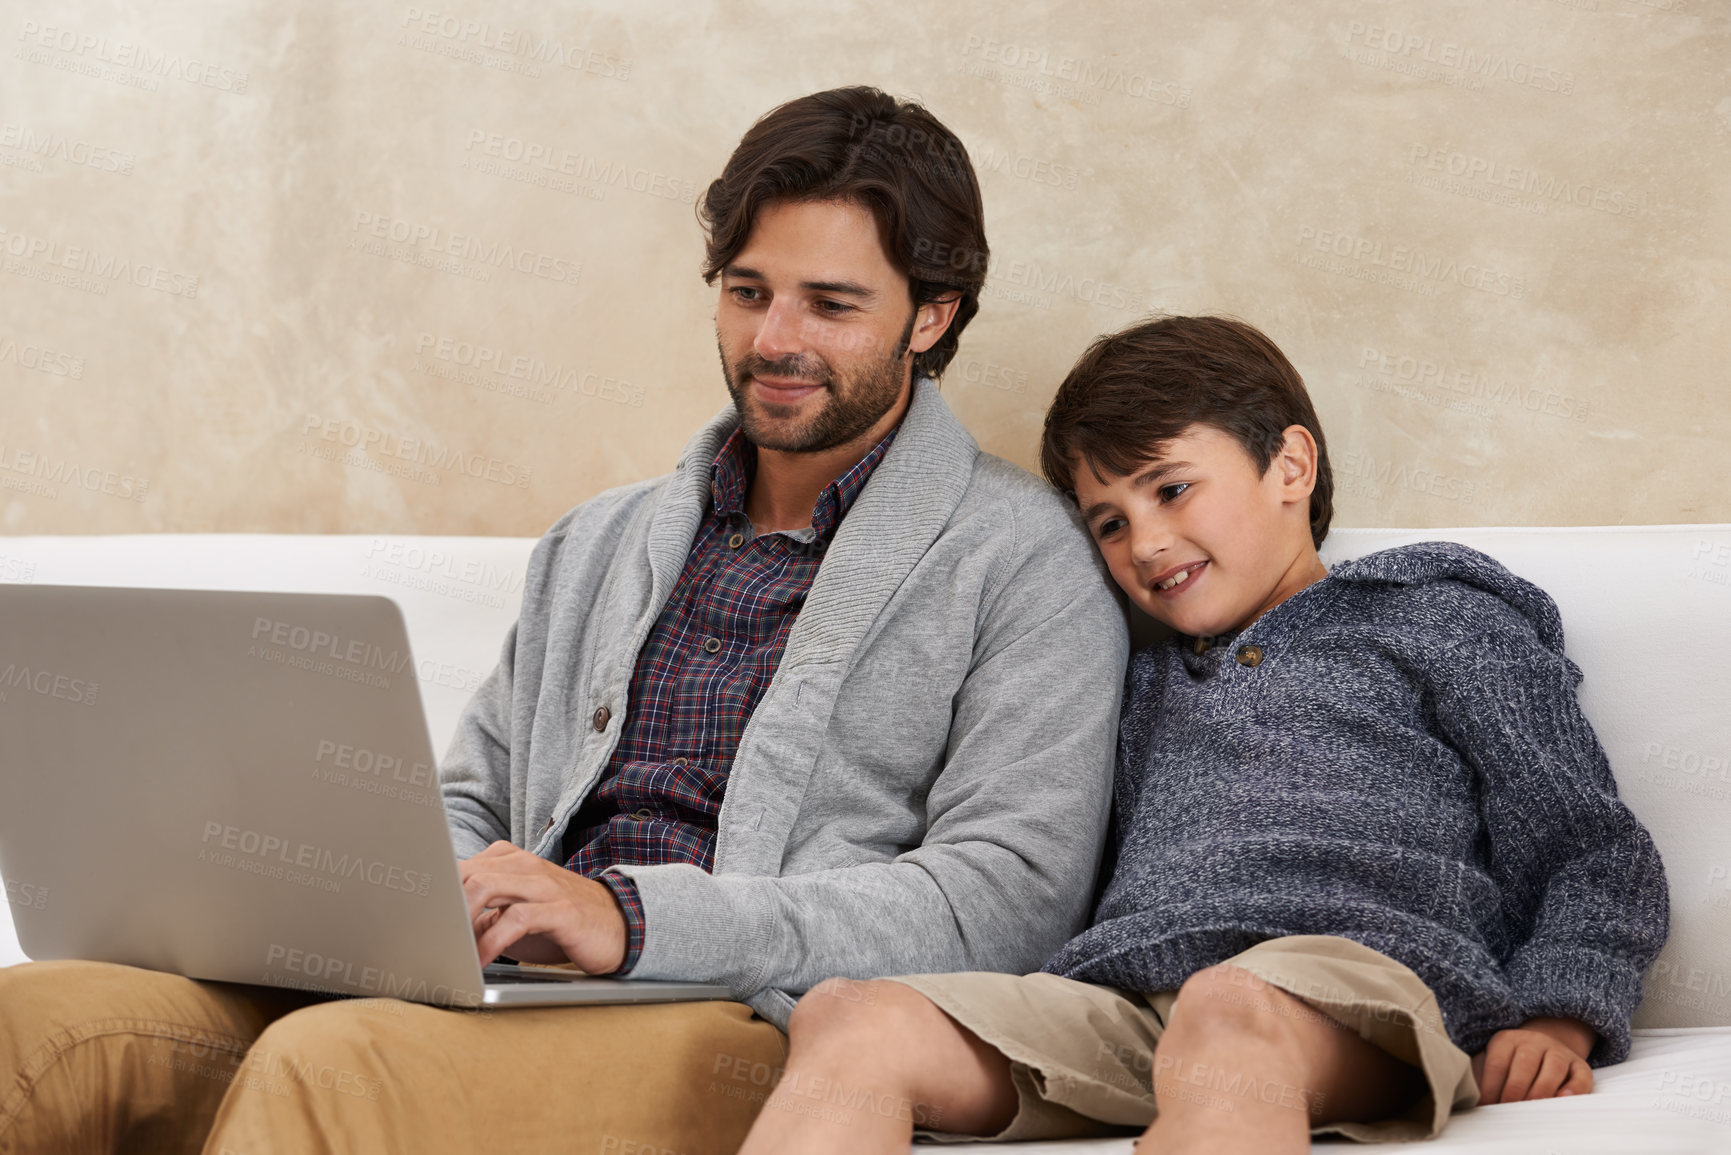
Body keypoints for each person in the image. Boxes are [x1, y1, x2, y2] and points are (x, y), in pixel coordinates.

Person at [0, 88, 1128, 1154]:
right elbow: (469, 795)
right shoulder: (601, 539)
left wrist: (631, 919)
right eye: (747, 291)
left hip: (740, 1020)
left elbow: (1007, 903)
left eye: (831, 305)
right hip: (493, 986)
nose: (775, 338)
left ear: (932, 317)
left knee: (334, 1066)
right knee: (34, 1026)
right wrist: (421, 902)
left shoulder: (1024, 562)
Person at [737, 315, 1670, 1154]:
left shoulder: (1433, 616)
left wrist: (1558, 1017)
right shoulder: (1132, 680)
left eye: (1171, 489)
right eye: (1110, 521)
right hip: (1131, 1004)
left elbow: (1592, 845)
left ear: (1289, 468)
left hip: (1358, 990)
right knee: (850, 1016)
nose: (1143, 542)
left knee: (1228, 1010)